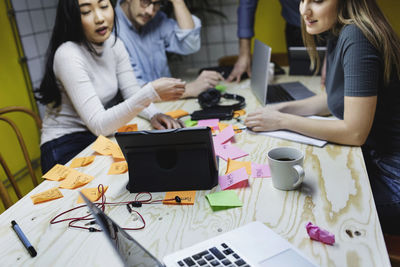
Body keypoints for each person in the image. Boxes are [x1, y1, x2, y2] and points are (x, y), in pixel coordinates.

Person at [245, 0, 400, 234]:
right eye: (303, 0)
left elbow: (354, 132)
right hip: (376, 161)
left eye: (317, 1)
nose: (304, 10)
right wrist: (280, 110)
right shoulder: (339, 31)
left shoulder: (357, 37)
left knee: (303, 208)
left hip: (392, 177)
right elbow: (331, 100)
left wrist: (281, 122)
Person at [36, 0, 186, 173]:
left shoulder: (114, 44)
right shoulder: (68, 54)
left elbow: (131, 92)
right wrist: (151, 92)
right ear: (72, 17)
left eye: (104, 7)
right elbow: (99, 124)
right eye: (86, 11)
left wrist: (154, 114)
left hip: (95, 137)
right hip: (64, 145)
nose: (100, 18)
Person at [116, 0, 224, 98]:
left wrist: (178, 2)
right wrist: (187, 90)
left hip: (166, 104)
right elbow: (133, 93)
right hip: (135, 114)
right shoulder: (111, 29)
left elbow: (189, 45)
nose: (150, 11)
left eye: (157, 3)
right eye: (145, 1)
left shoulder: (157, 19)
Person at [227, 0, 303, 82]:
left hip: (317, 31)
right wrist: (244, 54)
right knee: (301, 77)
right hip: (296, 28)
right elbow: (247, 4)